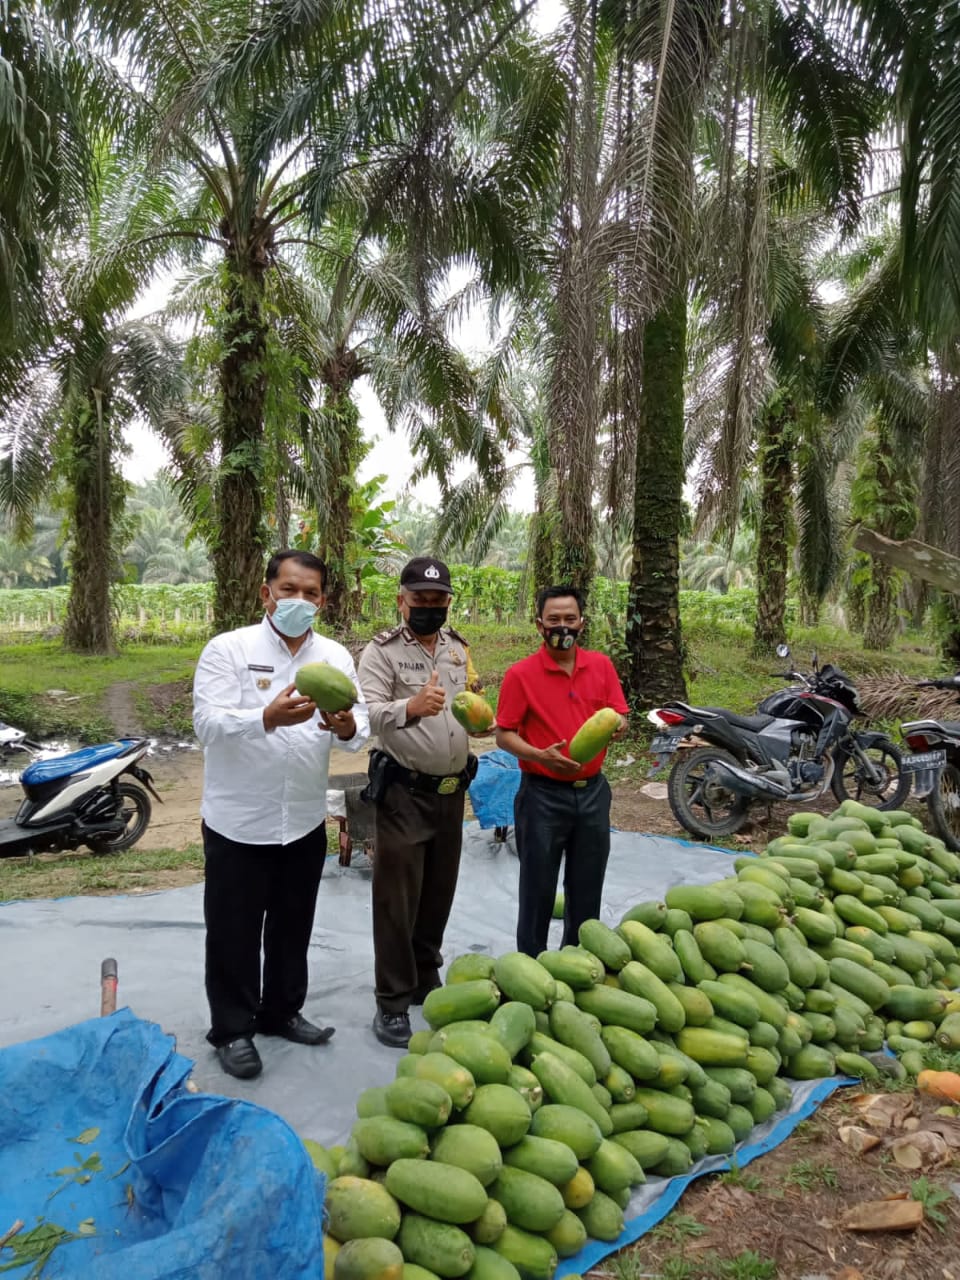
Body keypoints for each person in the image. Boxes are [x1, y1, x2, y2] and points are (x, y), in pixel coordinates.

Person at [193, 549, 369, 1080]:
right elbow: (208, 724)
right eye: (288, 590)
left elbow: (359, 725)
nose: (299, 600)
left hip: (303, 819)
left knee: (294, 926)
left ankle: (282, 1012)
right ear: (265, 593)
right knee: (234, 930)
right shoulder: (229, 649)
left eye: (310, 593)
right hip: (239, 822)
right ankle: (233, 1028)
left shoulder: (335, 657)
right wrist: (263, 718)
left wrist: (343, 728)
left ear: (324, 600)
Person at [357, 557, 487, 1048]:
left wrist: (480, 719)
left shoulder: (457, 649)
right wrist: (408, 708)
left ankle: (424, 973)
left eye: (438, 601)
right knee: (396, 898)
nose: (430, 609)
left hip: (452, 793)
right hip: (403, 793)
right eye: (420, 601)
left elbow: (468, 700)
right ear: (401, 600)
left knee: (438, 890)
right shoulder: (382, 653)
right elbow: (365, 712)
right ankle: (392, 999)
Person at [494, 585, 629, 958]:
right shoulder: (520, 675)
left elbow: (620, 717)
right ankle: (531, 968)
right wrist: (540, 755)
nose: (562, 626)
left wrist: (620, 727)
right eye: (554, 620)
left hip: (593, 793)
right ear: (539, 624)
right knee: (537, 888)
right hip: (542, 794)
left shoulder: (601, 666)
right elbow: (503, 734)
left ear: (582, 623)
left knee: (587, 887)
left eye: (570, 619)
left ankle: (579, 963)